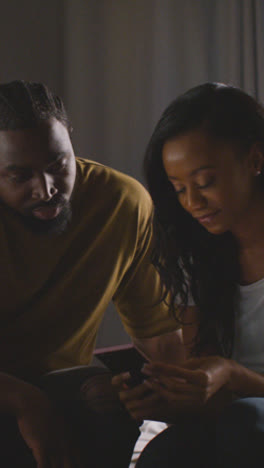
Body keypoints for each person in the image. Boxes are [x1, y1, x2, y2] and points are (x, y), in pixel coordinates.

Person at [0, 80, 182, 468]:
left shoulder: (121, 203)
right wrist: (25, 402)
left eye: (57, 166)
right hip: (13, 391)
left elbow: (161, 339)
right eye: (20, 176)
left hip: (65, 387)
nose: (46, 189)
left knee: (105, 403)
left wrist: (159, 393)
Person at [114, 83, 264, 468]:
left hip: (248, 425)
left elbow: (233, 395)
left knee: (244, 424)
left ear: (255, 160)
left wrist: (233, 375)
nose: (193, 203)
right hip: (235, 424)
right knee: (165, 453)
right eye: (179, 189)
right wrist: (162, 400)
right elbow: (207, 400)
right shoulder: (200, 259)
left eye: (205, 183)